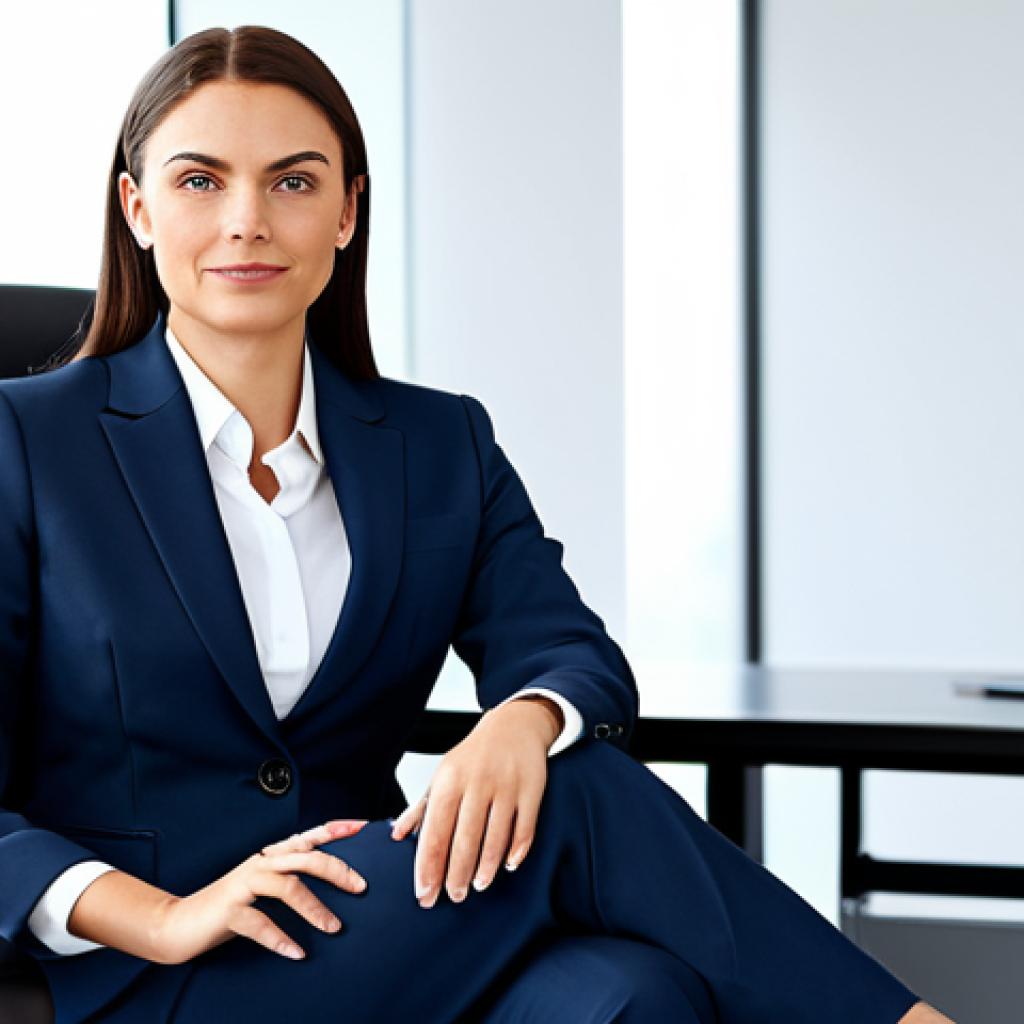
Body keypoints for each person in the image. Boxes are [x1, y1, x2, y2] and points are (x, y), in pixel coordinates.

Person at [0, 25, 951, 1024]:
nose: (246, 220)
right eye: (200, 181)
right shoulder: (28, 442)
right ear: (137, 209)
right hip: (155, 973)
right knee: (581, 794)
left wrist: (521, 718)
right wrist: (162, 917)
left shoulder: (436, 441)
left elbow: (568, 651)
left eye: (292, 182)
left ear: (346, 213)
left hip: (375, 934)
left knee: (638, 995)